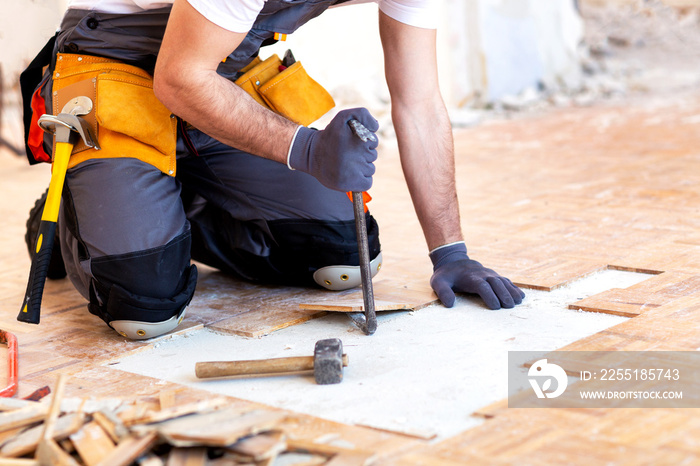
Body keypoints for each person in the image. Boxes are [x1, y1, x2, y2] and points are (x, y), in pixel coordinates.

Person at [22, 0, 525, 340]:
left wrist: (450, 251)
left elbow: (419, 102)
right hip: (118, 62)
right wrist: (307, 149)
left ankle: (170, 202)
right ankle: (75, 209)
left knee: (345, 256)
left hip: (223, 72)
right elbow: (179, 79)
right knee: (143, 308)